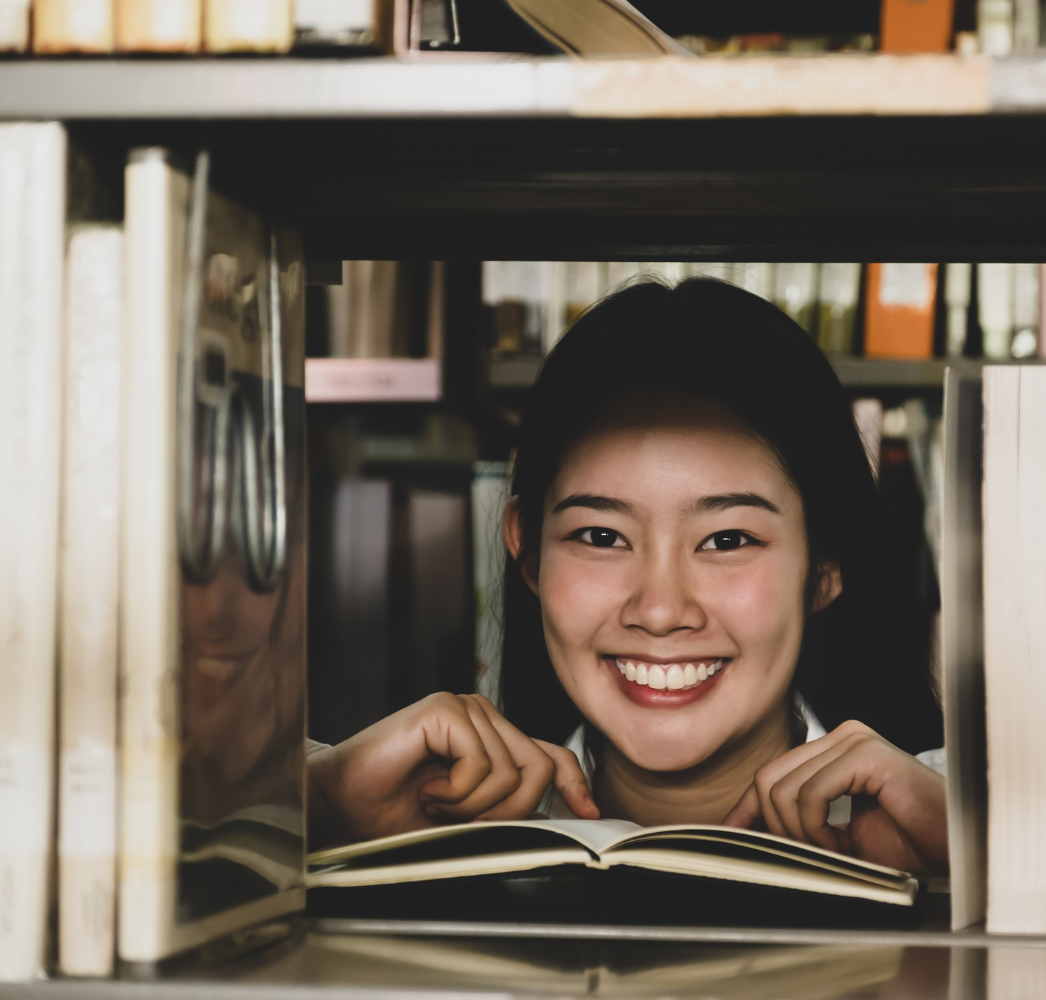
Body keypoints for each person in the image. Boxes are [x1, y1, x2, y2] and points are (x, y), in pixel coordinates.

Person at [307, 276, 949, 875]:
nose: (661, 609)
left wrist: (976, 852)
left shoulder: (967, 820)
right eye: (602, 536)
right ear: (526, 551)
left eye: (727, 539)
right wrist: (319, 806)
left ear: (826, 567)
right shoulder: (414, 818)